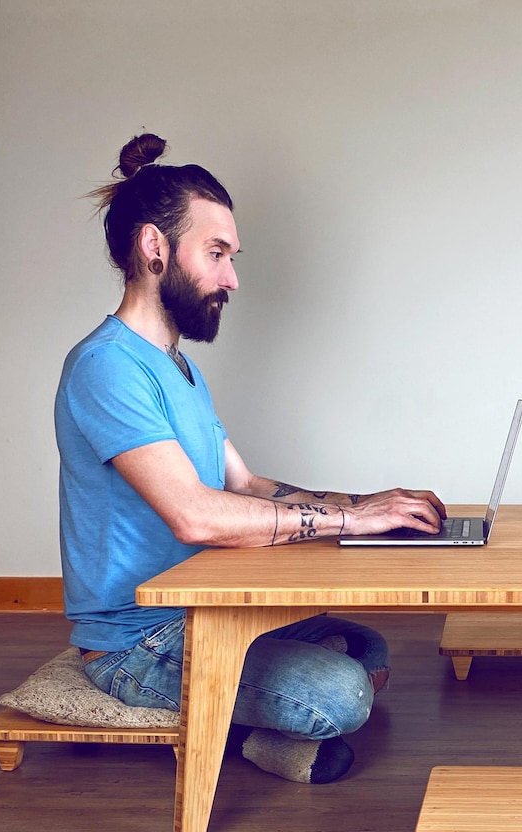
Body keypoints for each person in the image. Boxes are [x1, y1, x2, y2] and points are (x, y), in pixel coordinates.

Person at [55, 133, 446, 784]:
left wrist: (368, 506)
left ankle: (268, 736)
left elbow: (245, 483)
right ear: (155, 247)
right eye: (216, 253)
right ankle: (259, 739)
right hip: (141, 641)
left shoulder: (177, 369)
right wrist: (351, 525)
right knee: (341, 693)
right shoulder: (105, 368)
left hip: (210, 603)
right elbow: (195, 516)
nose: (232, 277)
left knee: (369, 646)